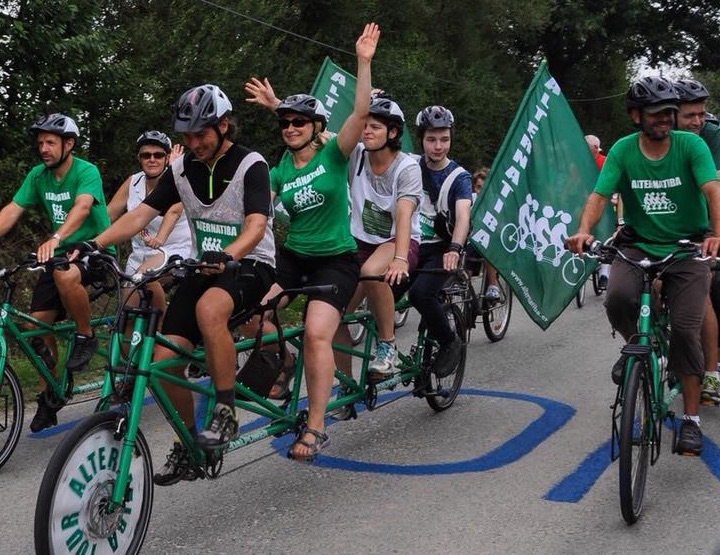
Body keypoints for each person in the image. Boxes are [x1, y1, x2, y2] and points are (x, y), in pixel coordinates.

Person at [91, 84, 276, 485]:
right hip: (201, 267)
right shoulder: (181, 169)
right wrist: (92, 244)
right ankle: (190, 442)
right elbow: (140, 214)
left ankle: (225, 411)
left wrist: (228, 254)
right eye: (186, 135)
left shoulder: (251, 164)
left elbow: (256, 225)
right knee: (162, 365)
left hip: (249, 265)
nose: (193, 143)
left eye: (201, 134)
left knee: (210, 310)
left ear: (224, 125)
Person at [243, 22, 380, 461]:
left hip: (335, 262)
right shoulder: (280, 168)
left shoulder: (333, 155)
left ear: (316, 125)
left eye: (299, 122)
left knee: (318, 335)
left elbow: (360, 116)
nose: (290, 127)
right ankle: (281, 360)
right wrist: (277, 107)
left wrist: (363, 61)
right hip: (293, 260)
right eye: (284, 122)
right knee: (252, 315)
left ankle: (316, 425)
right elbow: (257, 207)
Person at [566, 75, 720, 456]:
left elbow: (712, 189)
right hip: (637, 245)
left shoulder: (691, 145)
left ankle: (690, 420)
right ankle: (636, 345)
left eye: (669, 112)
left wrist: (717, 232)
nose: (665, 120)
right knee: (618, 298)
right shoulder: (622, 150)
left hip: (685, 248)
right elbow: (601, 195)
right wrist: (583, 231)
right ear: (636, 115)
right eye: (656, 114)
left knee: (686, 329)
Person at [0, 113, 114, 432]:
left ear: (69, 144)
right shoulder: (38, 176)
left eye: (50, 142)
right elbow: (11, 211)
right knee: (35, 326)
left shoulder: (86, 171)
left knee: (65, 275)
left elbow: (81, 208)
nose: (44, 149)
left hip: (96, 251)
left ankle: (85, 336)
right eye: (40, 143)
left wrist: (56, 237)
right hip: (61, 255)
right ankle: (51, 392)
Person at [333, 95, 421, 388]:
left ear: (393, 133)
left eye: (374, 127)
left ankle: (388, 346)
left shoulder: (406, 167)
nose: (366, 131)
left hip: (397, 240)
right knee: (334, 316)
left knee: (372, 271)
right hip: (360, 242)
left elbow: (405, 213)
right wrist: (276, 105)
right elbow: (313, 132)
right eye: (364, 126)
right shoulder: (356, 155)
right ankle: (345, 384)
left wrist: (399, 258)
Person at [408, 105, 472, 378]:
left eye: (444, 139)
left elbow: (463, 217)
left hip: (441, 250)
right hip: (409, 246)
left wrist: (455, 248)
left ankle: (450, 342)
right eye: (431, 139)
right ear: (421, 139)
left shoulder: (460, 177)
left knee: (420, 294)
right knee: (380, 290)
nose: (438, 146)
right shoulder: (409, 166)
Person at [106, 131, 192, 328]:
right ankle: (124, 359)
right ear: (139, 158)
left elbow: (174, 211)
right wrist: (89, 241)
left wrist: (160, 238)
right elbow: (109, 215)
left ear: (168, 157)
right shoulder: (133, 182)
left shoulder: (178, 180)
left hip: (174, 249)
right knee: (127, 313)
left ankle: (163, 329)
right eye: (146, 155)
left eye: (158, 155)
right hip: (140, 254)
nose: (152, 159)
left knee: (145, 277)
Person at [673, 78, 720, 406]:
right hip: (671, 222)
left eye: (700, 115)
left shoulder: (712, 136)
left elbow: (714, 190)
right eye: (690, 116)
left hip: (706, 220)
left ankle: (712, 372)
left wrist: (714, 233)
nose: (697, 122)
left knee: (707, 291)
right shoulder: (658, 135)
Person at [585, 134, 611, 289]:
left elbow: (610, 184)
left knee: (605, 233)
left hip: (604, 202)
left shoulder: (604, 161)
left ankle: (604, 274)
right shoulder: (580, 163)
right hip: (584, 202)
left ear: (595, 149)